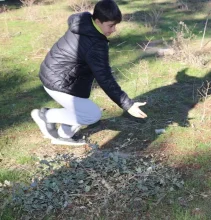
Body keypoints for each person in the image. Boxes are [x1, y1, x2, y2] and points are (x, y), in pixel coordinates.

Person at [31, 0, 147, 146]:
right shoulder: (95, 44)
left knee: (83, 108)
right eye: (110, 26)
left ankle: (63, 136)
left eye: (115, 25)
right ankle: (45, 116)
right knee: (92, 114)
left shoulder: (84, 23)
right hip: (58, 81)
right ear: (98, 21)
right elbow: (104, 77)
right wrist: (128, 104)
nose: (114, 30)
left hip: (63, 75)